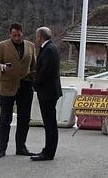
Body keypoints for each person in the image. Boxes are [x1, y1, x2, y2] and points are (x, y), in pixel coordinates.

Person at [0, 23, 37, 159]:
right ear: (10, 34)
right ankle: (1, 148)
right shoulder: (2, 46)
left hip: (26, 86)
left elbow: (34, 65)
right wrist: (3, 67)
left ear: (22, 33)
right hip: (7, 86)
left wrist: (34, 78)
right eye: (14, 35)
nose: (17, 37)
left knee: (24, 119)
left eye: (19, 34)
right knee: (5, 119)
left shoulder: (30, 46)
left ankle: (21, 147)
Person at [31, 27, 62, 161]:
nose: (36, 39)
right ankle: (48, 149)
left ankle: (49, 152)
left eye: (37, 36)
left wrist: (35, 84)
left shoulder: (48, 50)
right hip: (51, 90)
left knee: (49, 123)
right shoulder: (52, 47)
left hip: (48, 91)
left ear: (40, 37)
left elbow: (45, 71)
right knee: (50, 122)